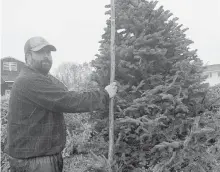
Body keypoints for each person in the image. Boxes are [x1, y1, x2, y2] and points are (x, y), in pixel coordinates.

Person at [3, 36, 117, 172]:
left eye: (48, 53)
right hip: (35, 162)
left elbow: (63, 91)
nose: (46, 56)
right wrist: (104, 95)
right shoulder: (29, 81)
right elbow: (67, 100)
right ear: (28, 56)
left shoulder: (41, 78)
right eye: (40, 52)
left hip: (40, 157)